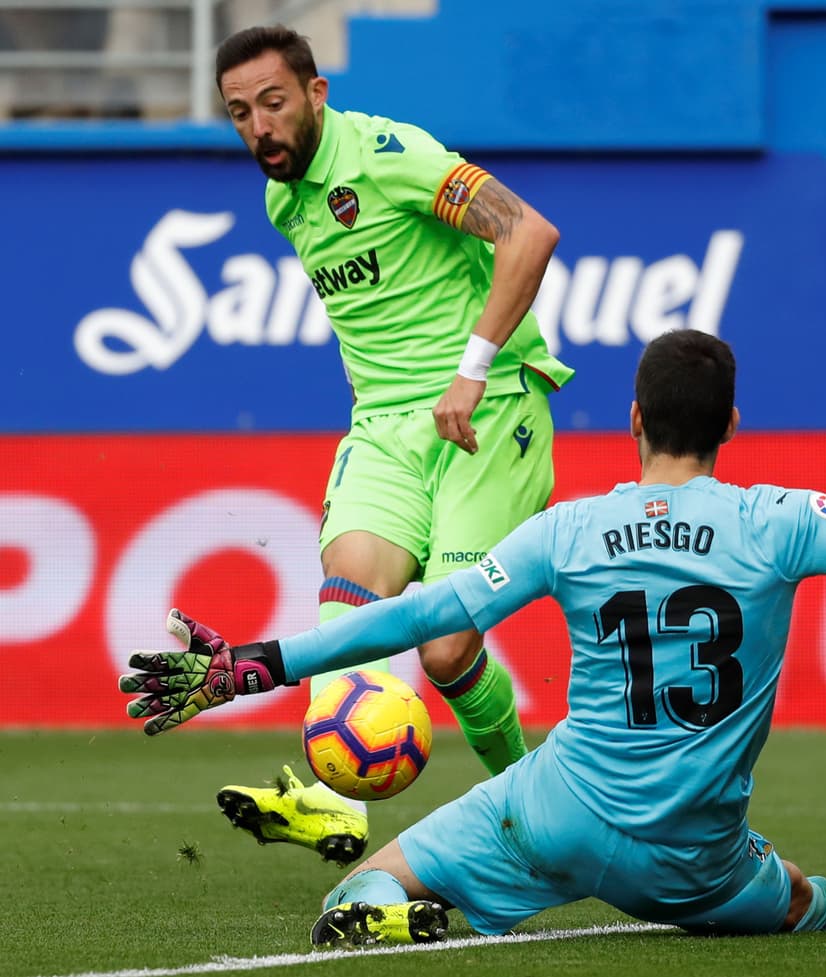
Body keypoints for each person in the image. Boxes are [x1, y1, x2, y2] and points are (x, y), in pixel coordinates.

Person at [120, 330, 826, 945]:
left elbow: (427, 615)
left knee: (352, 891)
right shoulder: (778, 520)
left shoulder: (570, 528)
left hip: (552, 811)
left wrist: (254, 663)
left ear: (636, 422)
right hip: (692, 852)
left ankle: (397, 915)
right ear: (731, 426)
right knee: (807, 903)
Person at [202, 25, 574, 866]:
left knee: (445, 649)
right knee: (347, 606)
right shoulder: (284, 201)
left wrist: (471, 370)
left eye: (273, 102)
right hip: (384, 426)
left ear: (316, 93)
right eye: (240, 113)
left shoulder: (387, 156)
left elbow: (529, 232)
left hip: (486, 412)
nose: (260, 127)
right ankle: (336, 803)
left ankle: (542, 818)